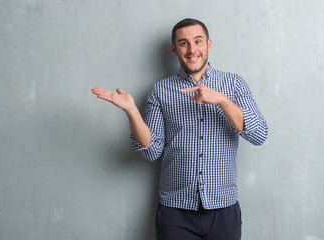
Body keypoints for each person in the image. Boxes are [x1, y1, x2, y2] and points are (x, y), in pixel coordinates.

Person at [92, 18, 268, 240]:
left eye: (198, 41)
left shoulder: (234, 84)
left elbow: (260, 134)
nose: (192, 49)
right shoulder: (159, 91)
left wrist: (222, 101)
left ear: (209, 44)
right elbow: (151, 151)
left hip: (224, 208)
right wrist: (131, 111)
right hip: (175, 211)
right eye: (184, 43)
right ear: (174, 48)